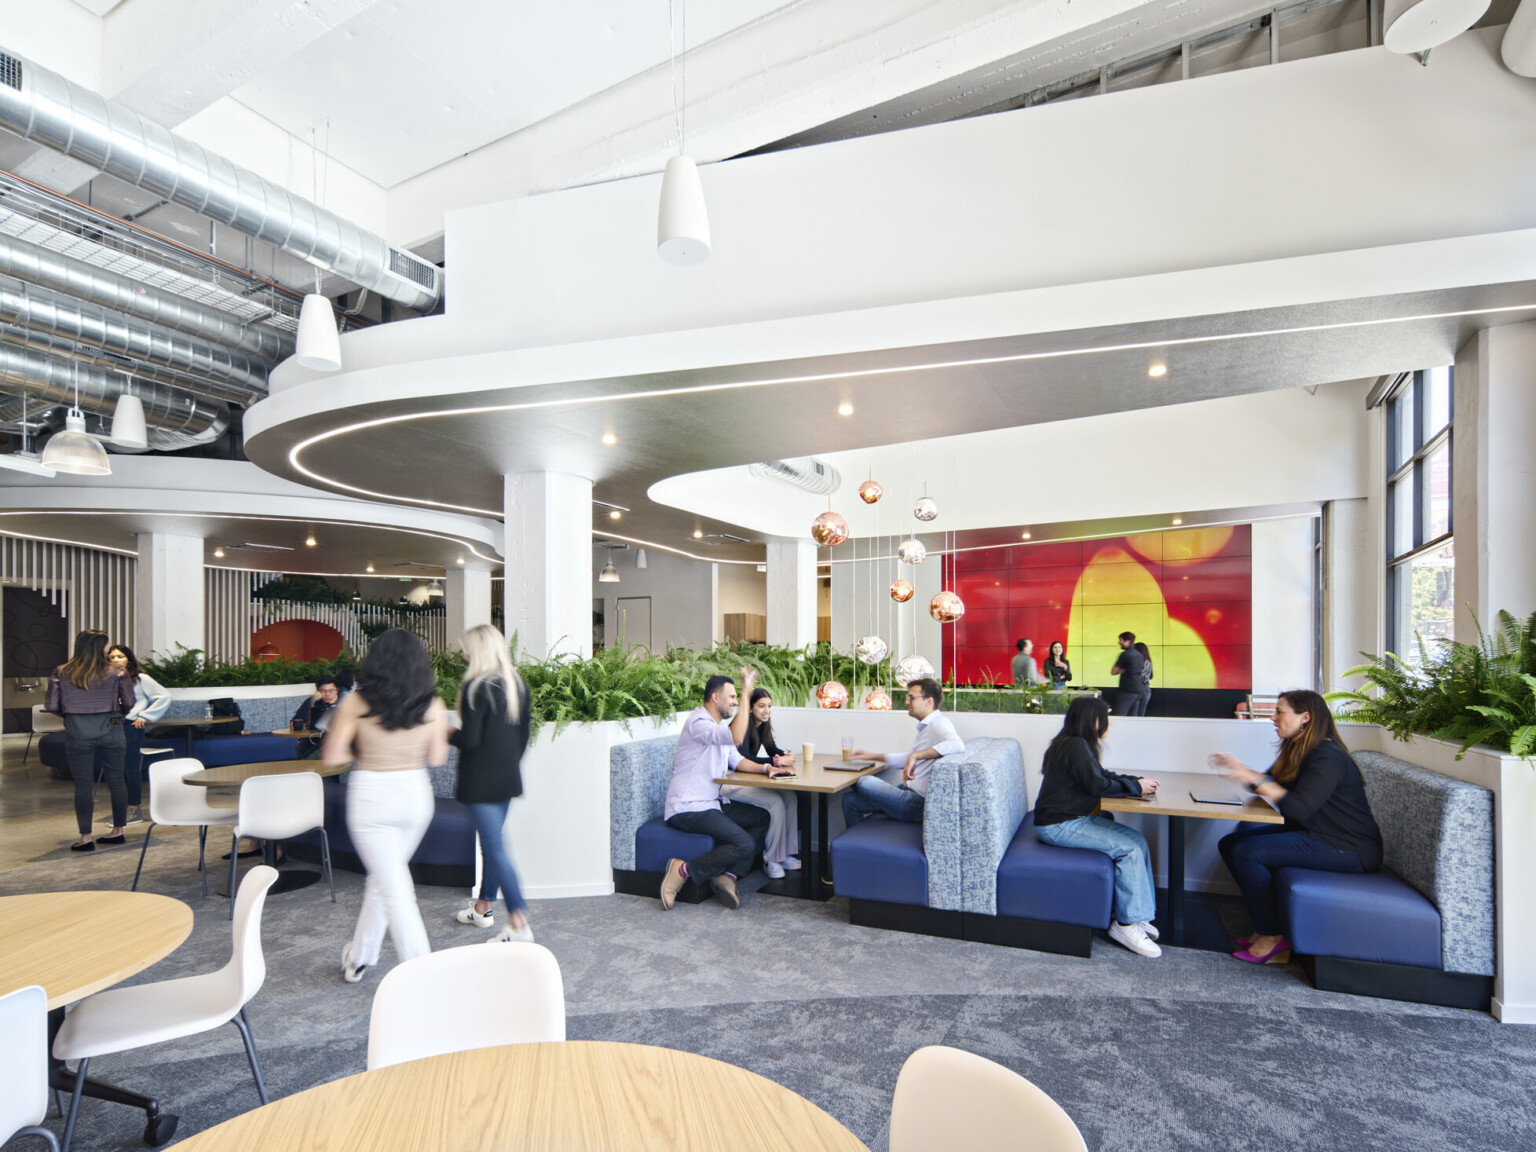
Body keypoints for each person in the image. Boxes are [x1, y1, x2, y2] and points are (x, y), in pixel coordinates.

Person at [1211, 689, 1383, 966]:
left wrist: (1251, 777)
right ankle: (1265, 928)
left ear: (1305, 717)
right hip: (1315, 834)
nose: (1273, 718)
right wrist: (1241, 769)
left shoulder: (1327, 756)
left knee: (1247, 852)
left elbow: (1297, 807)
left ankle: (1272, 935)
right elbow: (1268, 782)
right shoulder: (1298, 749)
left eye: (1280, 712)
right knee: (1230, 844)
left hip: (1348, 847)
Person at [321, 629, 450, 983]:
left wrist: (364, 748)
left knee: (395, 889)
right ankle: (358, 958)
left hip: (371, 798)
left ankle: (425, 976)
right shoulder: (433, 704)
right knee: (386, 880)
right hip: (415, 797)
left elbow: (332, 756)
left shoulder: (355, 703)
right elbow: (437, 758)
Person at [1032, 696, 1163, 957]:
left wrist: (1137, 782)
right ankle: (1125, 926)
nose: (1109, 722)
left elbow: (1102, 775)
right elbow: (1097, 786)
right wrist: (1135, 788)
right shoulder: (1075, 746)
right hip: (1058, 825)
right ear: (1093, 720)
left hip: (1072, 818)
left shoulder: (1076, 743)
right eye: (1105, 717)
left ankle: (1138, 914)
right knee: (1129, 850)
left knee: (1137, 841)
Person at [658, 668, 775, 911]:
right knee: (744, 843)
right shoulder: (698, 723)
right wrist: (746, 690)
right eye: (731, 697)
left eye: (735, 697)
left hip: (711, 802)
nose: (734, 701)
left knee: (762, 817)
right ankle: (683, 870)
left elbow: (738, 761)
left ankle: (728, 876)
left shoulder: (717, 726)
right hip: (688, 807)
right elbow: (735, 737)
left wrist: (768, 769)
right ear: (715, 697)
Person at [449, 624, 535, 943]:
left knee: (495, 849)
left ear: (478, 651)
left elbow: (470, 739)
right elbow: (523, 737)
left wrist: (446, 732)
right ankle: (483, 907)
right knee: (492, 845)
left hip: (480, 782)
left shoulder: (476, 687)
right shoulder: (516, 685)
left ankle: (518, 923)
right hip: (506, 778)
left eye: (467, 649)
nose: (464, 655)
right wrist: (506, 765)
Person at [47, 630, 135, 851]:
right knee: (116, 780)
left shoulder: (61, 671)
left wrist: (71, 715)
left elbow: (51, 705)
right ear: (101, 647)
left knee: (83, 785)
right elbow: (129, 702)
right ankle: (118, 831)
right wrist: (116, 714)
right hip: (112, 729)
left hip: (77, 732)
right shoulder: (118, 672)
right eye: (106, 646)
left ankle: (85, 838)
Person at [842, 678, 963, 829]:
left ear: (929, 701)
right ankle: (858, 843)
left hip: (916, 803)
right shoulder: (927, 726)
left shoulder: (938, 723)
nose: (907, 702)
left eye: (911, 697)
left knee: (864, 781)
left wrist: (915, 756)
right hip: (907, 792)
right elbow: (905, 759)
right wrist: (870, 756)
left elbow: (957, 745)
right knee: (850, 800)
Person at [729, 687, 800, 878]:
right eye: (761, 706)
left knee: (790, 797)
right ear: (750, 708)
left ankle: (786, 853)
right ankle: (771, 859)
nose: (766, 710)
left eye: (769, 706)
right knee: (775, 802)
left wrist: (784, 756)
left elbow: (772, 749)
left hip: (748, 780)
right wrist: (776, 762)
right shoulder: (742, 726)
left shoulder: (762, 725)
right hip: (730, 783)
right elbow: (742, 759)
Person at [108, 644, 170, 826]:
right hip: (112, 726)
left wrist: (145, 716)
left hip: (130, 726)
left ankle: (134, 809)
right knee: (116, 768)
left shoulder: (141, 678)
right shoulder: (108, 677)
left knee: (130, 767)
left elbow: (164, 696)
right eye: (112, 657)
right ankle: (122, 809)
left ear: (129, 659)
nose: (116, 660)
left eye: (120, 656)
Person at [292, 675, 341, 758]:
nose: (327, 694)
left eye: (331, 691)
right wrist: (313, 704)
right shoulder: (312, 701)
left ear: (337, 691)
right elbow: (294, 724)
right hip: (310, 744)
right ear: (317, 691)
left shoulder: (343, 703)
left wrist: (332, 706)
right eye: (323, 691)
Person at [1110, 631, 1149, 716]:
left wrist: (1120, 670)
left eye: (1121, 640)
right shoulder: (1139, 655)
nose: (1119, 642)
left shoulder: (1125, 654)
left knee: (1119, 715)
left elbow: (1113, 671)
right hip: (1138, 689)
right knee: (1133, 717)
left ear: (1127, 641)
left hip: (1127, 689)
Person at [1131, 641, 1154, 716]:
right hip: (1146, 689)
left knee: (1133, 715)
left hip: (1137, 689)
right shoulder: (1148, 662)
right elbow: (1150, 676)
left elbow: (1138, 675)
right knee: (1141, 715)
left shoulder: (1140, 661)